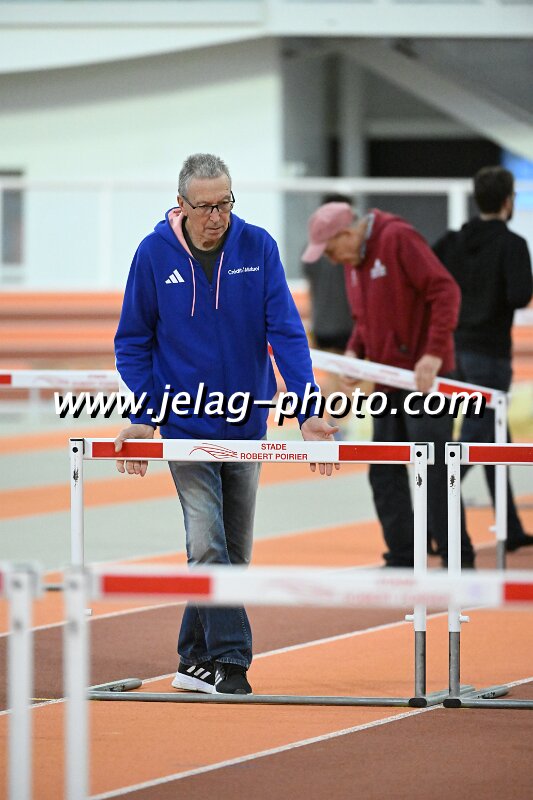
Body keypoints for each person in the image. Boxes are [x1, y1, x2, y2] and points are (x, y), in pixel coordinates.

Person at [113, 153, 337, 696]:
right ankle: (231, 663)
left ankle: (193, 660)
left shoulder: (258, 247)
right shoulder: (152, 254)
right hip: (185, 427)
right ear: (181, 204)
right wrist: (144, 415)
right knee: (207, 544)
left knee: (233, 552)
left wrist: (308, 410)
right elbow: (133, 342)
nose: (218, 217)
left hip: (246, 422)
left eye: (226, 203)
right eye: (206, 206)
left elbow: (286, 332)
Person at [302, 201, 475, 568]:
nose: (331, 260)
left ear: (347, 234)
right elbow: (364, 320)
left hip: (426, 381)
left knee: (434, 470)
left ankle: (458, 560)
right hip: (388, 381)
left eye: (330, 250)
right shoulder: (354, 263)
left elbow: (445, 291)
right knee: (383, 470)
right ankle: (403, 557)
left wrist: (434, 353)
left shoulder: (398, 238)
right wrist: (354, 352)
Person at [434, 166, 533, 553]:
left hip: (453, 351)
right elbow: (519, 295)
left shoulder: (452, 241)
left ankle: (510, 527)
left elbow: (431, 281)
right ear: (508, 201)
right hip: (490, 353)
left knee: (495, 436)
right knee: (475, 439)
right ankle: (434, 511)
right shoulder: (512, 244)